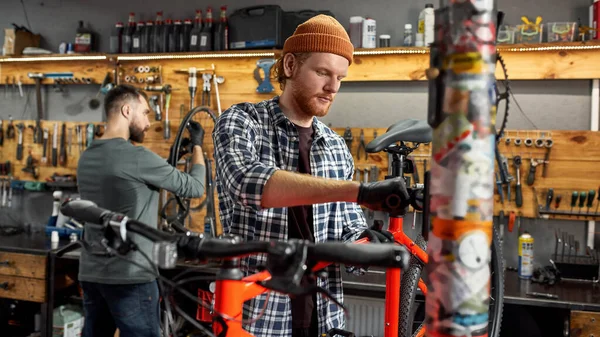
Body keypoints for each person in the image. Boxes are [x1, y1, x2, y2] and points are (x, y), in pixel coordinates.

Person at [213, 15, 410, 337]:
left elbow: (346, 230)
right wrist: (359, 191)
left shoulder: (335, 146)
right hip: (257, 312)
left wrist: (369, 244)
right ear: (290, 65)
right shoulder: (241, 120)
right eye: (323, 73)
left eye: (340, 77)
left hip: (325, 313)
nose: (333, 87)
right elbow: (247, 183)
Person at [76, 84, 206, 337]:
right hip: (131, 276)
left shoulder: (87, 156)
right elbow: (195, 187)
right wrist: (198, 147)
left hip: (91, 274)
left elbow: (129, 186)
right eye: (145, 113)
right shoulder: (136, 157)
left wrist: (170, 162)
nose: (148, 122)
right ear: (127, 110)